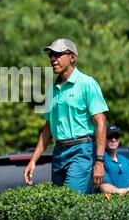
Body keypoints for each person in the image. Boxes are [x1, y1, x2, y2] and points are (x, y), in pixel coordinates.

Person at [23, 38, 109, 194]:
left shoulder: (87, 84)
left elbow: (101, 123)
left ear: (73, 57)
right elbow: (48, 128)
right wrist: (33, 161)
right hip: (58, 153)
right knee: (60, 205)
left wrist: (100, 161)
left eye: (58, 54)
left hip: (81, 151)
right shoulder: (52, 90)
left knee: (69, 204)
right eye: (51, 55)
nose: (53, 59)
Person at [98, 125, 129, 196]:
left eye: (116, 137)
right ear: (104, 138)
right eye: (110, 136)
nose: (113, 140)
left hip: (128, 205)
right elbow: (104, 188)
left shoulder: (125, 160)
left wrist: (125, 191)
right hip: (109, 205)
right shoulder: (99, 161)